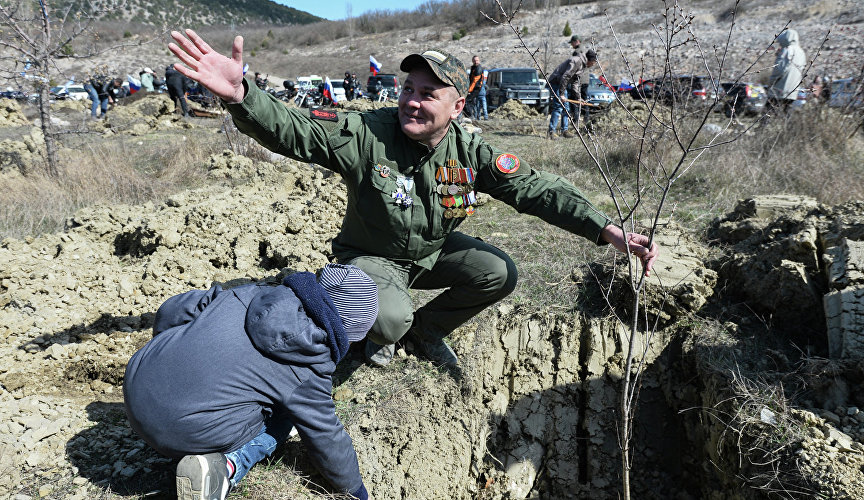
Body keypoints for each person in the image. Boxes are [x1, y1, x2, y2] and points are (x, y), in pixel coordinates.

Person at [167, 29, 659, 370]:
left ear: (457, 106)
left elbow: (535, 188)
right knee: (390, 317)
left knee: (498, 273)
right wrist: (243, 96)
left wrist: (604, 228)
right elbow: (299, 133)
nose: (411, 100)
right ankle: (373, 325)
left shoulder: (470, 151)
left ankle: (426, 334)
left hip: (427, 255)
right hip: (371, 257)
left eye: (428, 92)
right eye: (408, 88)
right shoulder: (368, 132)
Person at [124, 264, 377, 500]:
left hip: (136, 381)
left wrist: (171, 354)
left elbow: (173, 309)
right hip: (176, 432)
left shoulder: (253, 293)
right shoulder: (310, 366)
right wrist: (357, 492)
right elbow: (326, 436)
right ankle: (228, 467)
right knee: (284, 418)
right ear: (347, 332)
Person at [547, 36, 594, 139]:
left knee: (567, 108)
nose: (593, 65)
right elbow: (565, 76)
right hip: (555, 82)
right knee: (559, 106)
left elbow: (575, 82)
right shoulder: (577, 61)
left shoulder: (583, 65)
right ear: (590, 60)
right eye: (593, 62)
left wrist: (578, 97)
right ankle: (551, 132)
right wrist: (562, 94)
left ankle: (565, 131)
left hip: (562, 83)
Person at [767, 28, 806, 114]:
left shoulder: (787, 50)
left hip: (779, 89)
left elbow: (779, 69)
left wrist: (771, 82)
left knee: (768, 113)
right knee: (786, 114)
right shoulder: (801, 52)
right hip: (793, 91)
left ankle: (763, 127)